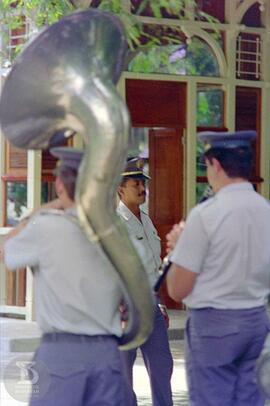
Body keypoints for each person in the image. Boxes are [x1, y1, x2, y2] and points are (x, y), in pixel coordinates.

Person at [2, 147, 126, 406]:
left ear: (60, 184)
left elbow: (5, 250)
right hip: (108, 353)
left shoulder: (47, 227)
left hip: (62, 352)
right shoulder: (119, 231)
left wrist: (47, 207)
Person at [166, 130, 270, 406]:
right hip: (256, 319)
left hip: (214, 325)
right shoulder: (265, 210)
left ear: (216, 164)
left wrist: (178, 250)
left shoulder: (206, 214)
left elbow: (177, 288)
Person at [117, 157, 173, 406]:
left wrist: (159, 302)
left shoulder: (147, 220)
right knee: (122, 377)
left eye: (143, 183)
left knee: (163, 368)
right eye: (135, 184)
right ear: (120, 188)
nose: (142, 189)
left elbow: (153, 268)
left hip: (151, 307)